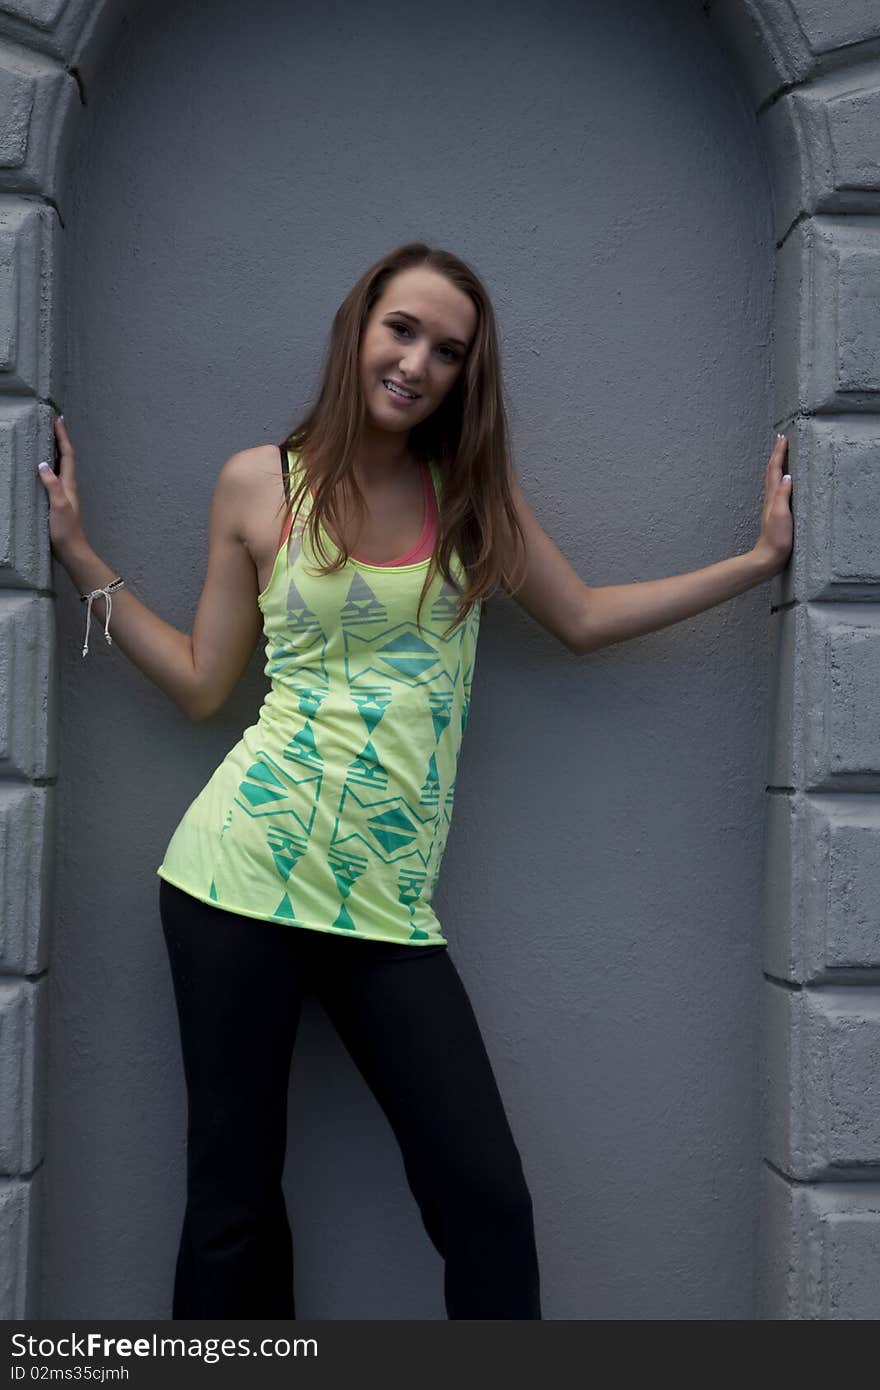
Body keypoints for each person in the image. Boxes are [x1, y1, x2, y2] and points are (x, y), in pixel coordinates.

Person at [38, 242, 793, 1320]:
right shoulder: (261, 480)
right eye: (402, 329)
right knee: (233, 1209)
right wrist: (80, 559)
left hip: (384, 907)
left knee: (485, 1204)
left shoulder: (468, 493)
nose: (416, 363)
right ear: (358, 327)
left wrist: (757, 563)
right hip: (232, 880)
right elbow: (206, 682)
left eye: (447, 350)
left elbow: (579, 618)